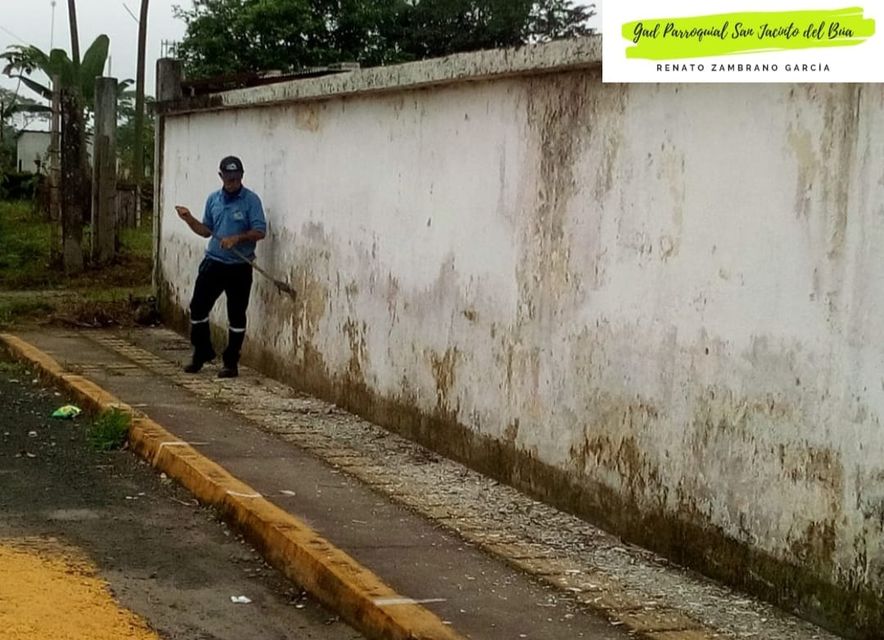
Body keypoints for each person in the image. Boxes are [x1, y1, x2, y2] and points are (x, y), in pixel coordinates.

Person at [175, 156, 267, 378]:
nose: (232, 182)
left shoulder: (251, 201)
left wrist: (237, 238)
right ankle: (202, 351)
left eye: (236, 178)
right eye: (228, 178)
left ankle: (231, 362)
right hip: (214, 263)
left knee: (236, 314)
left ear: (242, 176)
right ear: (221, 176)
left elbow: (260, 231)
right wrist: (189, 219)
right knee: (198, 307)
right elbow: (206, 231)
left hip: (239, 266)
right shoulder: (213, 199)